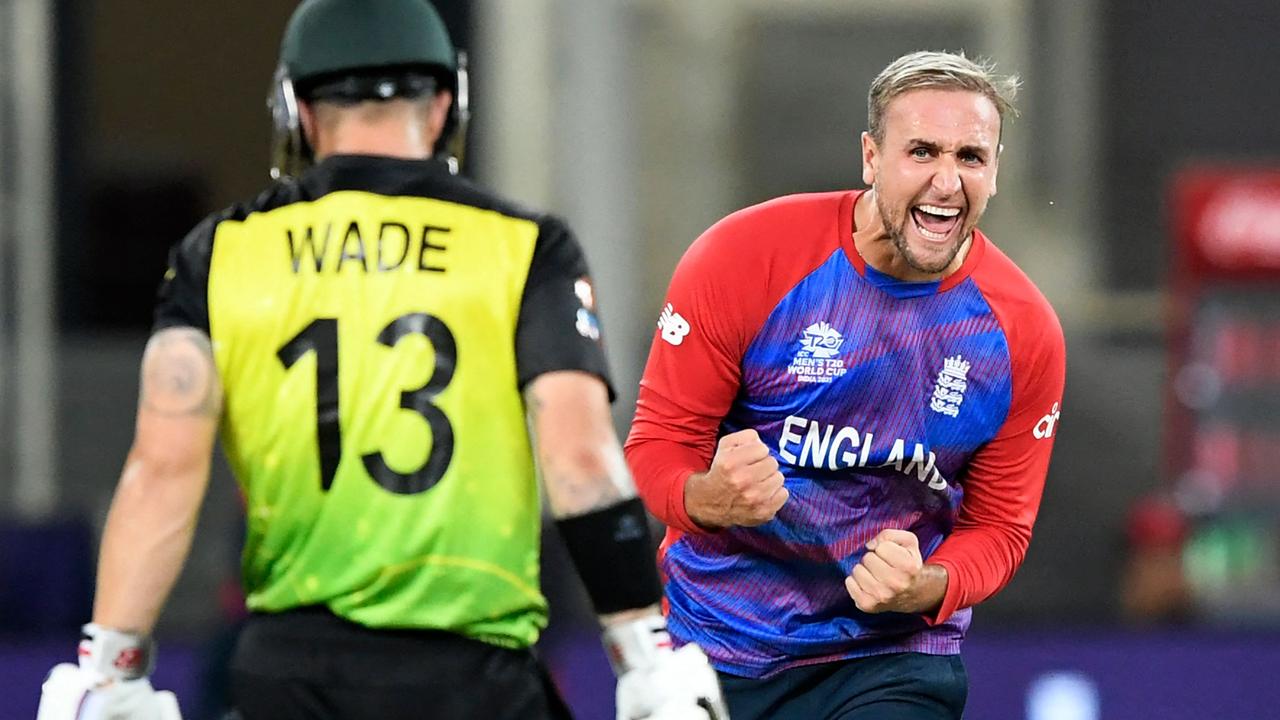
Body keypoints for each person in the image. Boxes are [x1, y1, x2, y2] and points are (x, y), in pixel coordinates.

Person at [37, 1, 726, 719]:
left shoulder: (219, 254)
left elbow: (162, 472)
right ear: (445, 104)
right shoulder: (525, 246)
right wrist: (644, 654)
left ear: (297, 110)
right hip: (474, 678)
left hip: (290, 677)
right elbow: (580, 462)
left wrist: (109, 669)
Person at [625, 50, 1066, 720]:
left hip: (888, 658)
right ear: (870, 158)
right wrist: (706, 497)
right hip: (718, 648)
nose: (948, 182)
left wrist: (927, 585)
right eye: (922, 151)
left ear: (995, 170)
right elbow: (655, 448)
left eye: (971, 158)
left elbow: (1001, 528)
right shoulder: (746, 258)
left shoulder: (1022, 331)